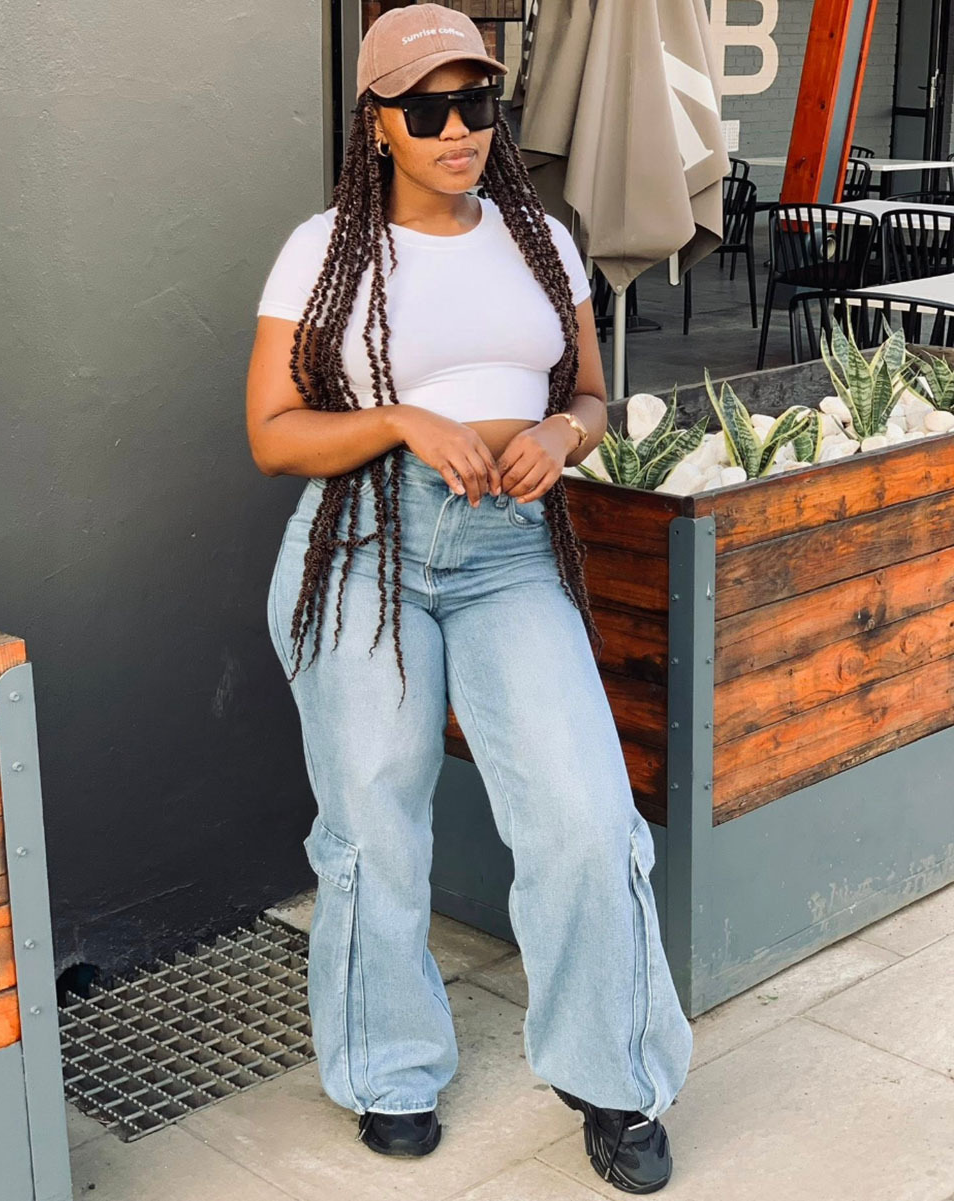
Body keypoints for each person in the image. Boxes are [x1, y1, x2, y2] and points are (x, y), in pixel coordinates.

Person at [245, 4, 693, 1191]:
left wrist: (559, 433)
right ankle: (388, 1069)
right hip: (364, 545)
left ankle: (614, 1076)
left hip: (509, 550)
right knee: (373, 823)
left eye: (474, 102)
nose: (456, 129)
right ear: (377, 124)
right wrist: (400, 417)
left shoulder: (542, 240)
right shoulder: (323, 250)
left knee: (585, 818)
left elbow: (591, 397)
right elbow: (272, 433)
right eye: (425, 108)